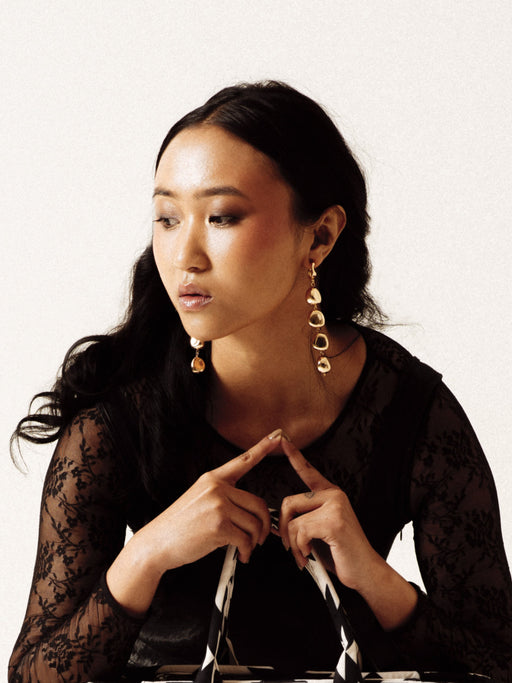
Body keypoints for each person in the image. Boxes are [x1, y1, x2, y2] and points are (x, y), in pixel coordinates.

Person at [8, 81, 512, 683]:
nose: (185, 255)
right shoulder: (117, 422)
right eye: (167, 218)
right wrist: (147, 554)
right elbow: (32, 674)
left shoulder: (411, 413)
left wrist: (375, 578)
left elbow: (499, 663)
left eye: (221, 217)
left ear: (320, 236)